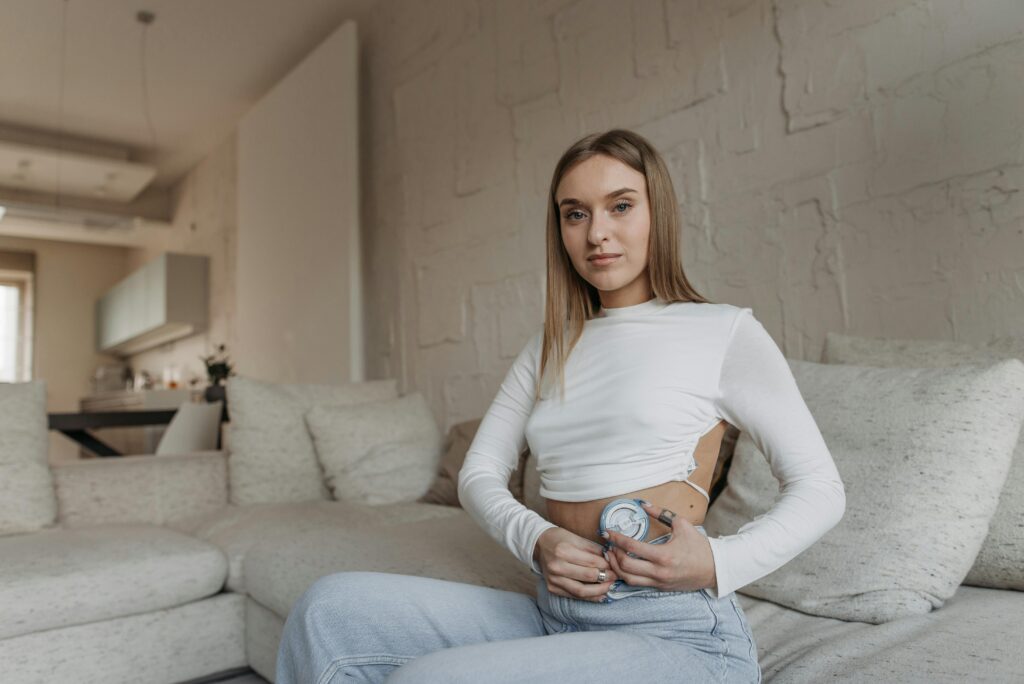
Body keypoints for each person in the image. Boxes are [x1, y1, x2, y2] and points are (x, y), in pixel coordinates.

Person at [275, 129, 846, 684]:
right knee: (328, 610)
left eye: (620, 206)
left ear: (658, 214)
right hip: (557, 613)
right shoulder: (549, 346)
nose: (597, 232)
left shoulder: (722, 332)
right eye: (576, 214)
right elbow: (480, 472)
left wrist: (720, 563)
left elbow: (821, 487)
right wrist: (535, 538)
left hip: (676, 636)